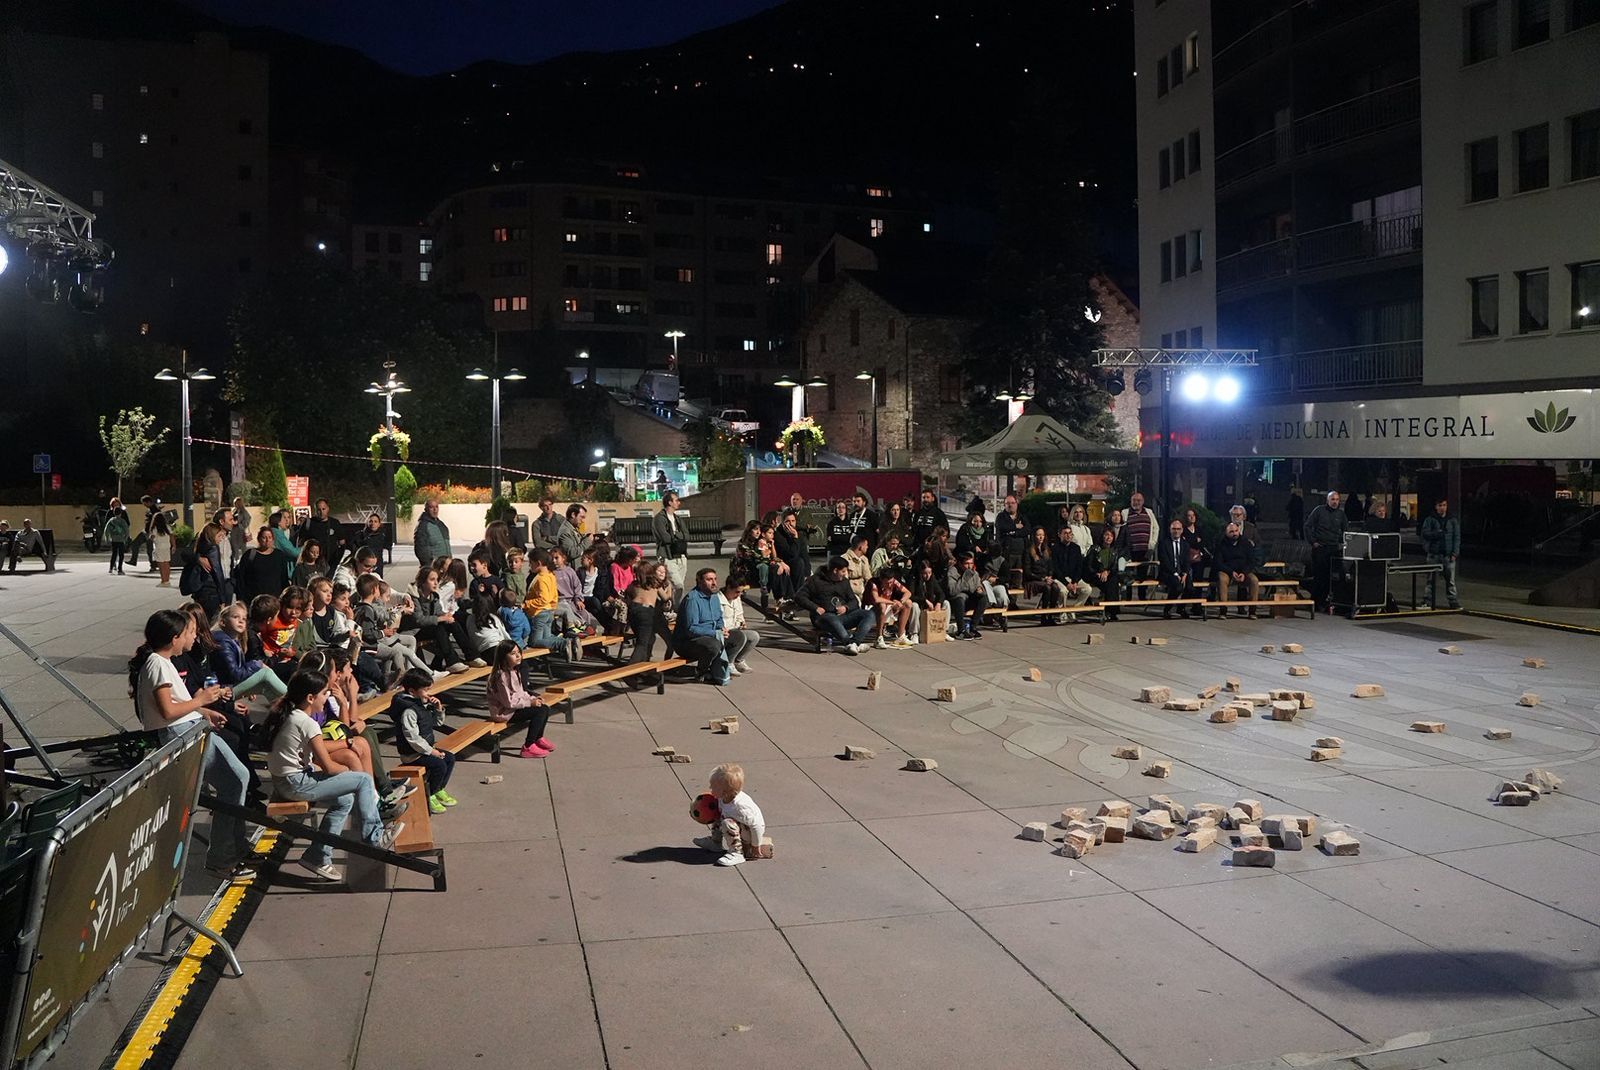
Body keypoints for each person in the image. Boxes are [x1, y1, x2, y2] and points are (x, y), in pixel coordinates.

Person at [129, 609, 254, 881]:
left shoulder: (164, 662)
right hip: (181, 734)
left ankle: (235, 846)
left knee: (239, 778)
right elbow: (167, 710)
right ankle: (222, 856)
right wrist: (202, 701)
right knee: (232, 783)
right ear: (175, 638)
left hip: (192, 727)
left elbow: (178, 704)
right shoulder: (157, 664)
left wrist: (204, 712)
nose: (193, 637)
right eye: (189, 633)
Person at [267, 668, 403, 880]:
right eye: (324, 693)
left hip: (287, 780)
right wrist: (348, 774)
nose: (326, 697)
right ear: (310, 698)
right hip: (295, 783)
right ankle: (375, 836)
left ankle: (318, 855)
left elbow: (319, 753)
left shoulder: (291, 714)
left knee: (345, 799)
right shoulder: (306, 723)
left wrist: (345, 774)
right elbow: (329, 767)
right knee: (363, 779)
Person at [388, 668, 459, 815]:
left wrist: (438, 709)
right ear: (412, 691)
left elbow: (435, 723)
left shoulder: (420, 703)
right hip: (412, 754)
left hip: (424, 749)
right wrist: (432, 751)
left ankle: (438, 789)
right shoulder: (409, 710)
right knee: (439, 765)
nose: (428, 693)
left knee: (450, 758)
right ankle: (429, 794)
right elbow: (412, 738)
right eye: (426, 690)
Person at [355, 573, 438, 682]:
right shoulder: (368, 609)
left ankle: (396, 676)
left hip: (378, 640)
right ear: (374, 590)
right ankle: (404, 679)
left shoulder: (364, 607)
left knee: (407, 643)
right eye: (378, 589)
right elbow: (370, 630)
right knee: (396, 653)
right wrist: (385, 631)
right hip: (372, 644)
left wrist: (398, 609)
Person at [209, 600, 289, 703]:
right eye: (236, 617)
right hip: (224, 689)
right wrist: (257, 664)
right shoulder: (223, 642)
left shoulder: (233, 640)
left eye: (244, 618)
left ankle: (287, 710)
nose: (241, 621)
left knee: (266, 688)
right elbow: (235, 674)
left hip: (230, 685)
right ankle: (297, 702)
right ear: (223, 622)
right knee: (266, 673)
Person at [486, 641, 555, 759]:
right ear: (503, 657)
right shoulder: (501, 676)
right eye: (513, 653)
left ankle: (538, 738)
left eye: (518, 652)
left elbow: (521, 693)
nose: (518, 656)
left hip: (513, 709)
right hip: (504, 713)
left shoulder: (514, 671)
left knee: (544, 708)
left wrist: (533, 699)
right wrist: (529, 703)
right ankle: (528, 746)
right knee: (539, 711)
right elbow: (508, 702)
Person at [793, 556, 875, 654]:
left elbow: (854, 601)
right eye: (843, 571)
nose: (845, 574)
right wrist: (815, 607)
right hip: (824, 617)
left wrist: (846, 607)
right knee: (832, 618)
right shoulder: (815, 580)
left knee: (869, 614)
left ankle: (854, 643)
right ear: (835, 571)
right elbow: (799, 597)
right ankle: (849, 643)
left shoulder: (844, 582)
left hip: (843, 616)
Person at [694, 763, 767, 867]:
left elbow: (757, 825)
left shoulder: (740, 807)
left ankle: (737, 853)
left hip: (749, 834)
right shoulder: (723, 797)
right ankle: (715, 843)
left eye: (713, 787)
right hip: (738, 825)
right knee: (718, 816)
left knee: (727, 823)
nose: (710, 788)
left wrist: (756, 846)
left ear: (724, 792)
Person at [412, 565, 477, 672]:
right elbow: (419, 620)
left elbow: (439, 612)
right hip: (416, 630)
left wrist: (446, 616)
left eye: (437, 580)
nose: (436, 583)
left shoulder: (434, 596)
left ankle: (471, 656)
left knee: (452, 623)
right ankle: (452, 661)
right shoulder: (414, 597)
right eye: (432, 580)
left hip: (430, 626)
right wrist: (440, 619)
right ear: (423, 582)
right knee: (439, 628)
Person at [674, 568, 730, 685]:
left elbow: (719, 618)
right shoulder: (692, 600)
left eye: (715, 579)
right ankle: (701, 672)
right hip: (688, 642)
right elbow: (691, 629)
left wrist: (721, 628)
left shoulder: (714, 597)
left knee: (742, 637)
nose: (714, 583)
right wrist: (714, 633)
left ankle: (723, 667)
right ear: (699, 582)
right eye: (709, 580)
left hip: (712, 636)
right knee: (713, 646)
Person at [625, 560, 676, 664]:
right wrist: (669, 588)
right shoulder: (654, 583)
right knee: (642, 643)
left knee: (645, 639)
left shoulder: (634, 584)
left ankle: (643, 665)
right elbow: (666, 598)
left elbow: (627, 595)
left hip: (634, 610)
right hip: (647, 611)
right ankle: (631, 668)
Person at [1305, 490, 1347, 611]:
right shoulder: (1319, 511)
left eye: (1337, 499)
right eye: (1332, 499)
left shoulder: (1341, 514)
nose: (1335, 502)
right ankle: (1316, 602)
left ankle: (1327, 601)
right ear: (1327, 500)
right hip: (1321, 548)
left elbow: (1346, 530)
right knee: (1320, 576)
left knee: (1333, 577)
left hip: (1334, 549)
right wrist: (1313, 542)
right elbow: (1307, 526)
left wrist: (1342, 543)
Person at [1420, 498, 1462, 610]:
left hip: (1448, 555)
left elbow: (1456, 537)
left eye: (1444, 505)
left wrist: (1455, 553)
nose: (1442, 508)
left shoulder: (1452, 520)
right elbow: (1425, 534)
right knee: (1431, 579)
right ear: (1436, 507)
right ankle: (1427, 600)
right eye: (1440, 505)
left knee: (1450, 581)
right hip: (1434, 554)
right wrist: (1437, 534)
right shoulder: (1430, 519)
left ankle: (1453, 601)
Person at [1157, 518, 1201, 619]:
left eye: (1178, 529)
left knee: (1190, 589)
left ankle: (1181, 608)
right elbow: (1164, 561)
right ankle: (1167, 609)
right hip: (1168, 572)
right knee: (1177, 587)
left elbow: (1187, 561)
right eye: (1174, 529)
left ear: (1182, 530)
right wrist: (1175, 573)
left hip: (1182, 572)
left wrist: (1185, 573)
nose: (1176, 531)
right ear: (1170, 530)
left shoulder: (1185, 544)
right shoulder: (1163, 543)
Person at [1213, 522, 1260, 616]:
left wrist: (1244, 573)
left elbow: (1251, 561)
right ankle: (1223, 610)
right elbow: (1218, 563)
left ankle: (1252, 611)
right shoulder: (1221, 544)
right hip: (1228, 571)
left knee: (1254, 580)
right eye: (1231, 532)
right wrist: (1231, 572)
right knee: (1222, 579)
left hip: (1243, 571)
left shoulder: (1246, 543)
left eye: (1236, 531)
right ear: (1226, 533)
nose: (1234, 533)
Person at [719, 574, 761, 673]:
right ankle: (729, 663)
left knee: (754, 636)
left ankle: (738, 660)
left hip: (735, 629)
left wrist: (741, 622)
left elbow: (739, 614)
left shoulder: (737, 599)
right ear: (728, 587)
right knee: (740, 637)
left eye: (741, 592)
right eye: (737, 592)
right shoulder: (717, 599)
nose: (738, 595)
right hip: (724, 632)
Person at [652, 491, 690, 598]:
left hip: (681, 556)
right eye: (676, 500)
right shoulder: (659, 519)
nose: (679, 503)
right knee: (678, 586)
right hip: (668, 556)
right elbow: (665, 538)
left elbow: (687, 536)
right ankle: (675, 606)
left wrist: (675, 534)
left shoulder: (678, 519)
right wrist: (678, 536)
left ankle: (672, 605)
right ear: (670, 502)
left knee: (676, 587)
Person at [946, 551, 989, 638]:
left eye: (971, 563)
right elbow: (952, 591)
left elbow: (979, 587)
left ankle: (973, 628)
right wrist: (965, 577)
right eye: (966, 563)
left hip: (969, 600)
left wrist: (980, 590)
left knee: (983, 599)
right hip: (956, 602)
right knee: (960, 598)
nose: (969, 566)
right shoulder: (952, 572)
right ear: (960, 564)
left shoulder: (974, 573)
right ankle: (961, 630)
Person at [867, 570, 916, 647]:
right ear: (881, 579)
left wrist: (901, 601)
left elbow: (908, 593)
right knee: (882, 605)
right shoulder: (873, 583)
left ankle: (901, 636)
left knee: (908, 603)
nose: (890, 585)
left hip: (887, 605)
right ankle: (879, 638)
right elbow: (876, 599)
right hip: (871, 608)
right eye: (887, 583)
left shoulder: (894, 582)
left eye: (891, 582)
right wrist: (893, 603)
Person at [1049, 527, 1093, 609]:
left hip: (1073, 579)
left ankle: (1074, 610)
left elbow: (1079, 567)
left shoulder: (1076, 548)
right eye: (1065, 533)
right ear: (1059, 535)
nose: (1068, 535)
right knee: (1063, 591)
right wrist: (1067, 584)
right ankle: (1062, 612)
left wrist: (1075, 582)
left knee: (1087, 589)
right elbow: (1056, 569)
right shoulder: (1055, 548)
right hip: (1060, 579)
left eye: (1070, 533)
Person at [1086, 525, 1122, 620]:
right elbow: (1089, 565)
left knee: (1112, 581)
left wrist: (1107, 572)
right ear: (1102, 536)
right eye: (1106, 535)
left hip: (1108, 575)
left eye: (1111, 536)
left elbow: (1115, 567)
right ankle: (1111, 611)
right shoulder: (1094, 549)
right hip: (1095, 575)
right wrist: (1097, 573)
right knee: (1111, 584)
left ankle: (1111, 611)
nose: (1108, 537)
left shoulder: (1114, 550)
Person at [1117, 492, 1159, 573]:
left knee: (1143, 574)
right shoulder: (1125, 513)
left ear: (1143, 501)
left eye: (1138, 500)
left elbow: (1156, 528)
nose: (1136, 502)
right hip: (1130, 550)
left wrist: (1153, 542)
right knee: (1129, 574)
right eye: (1134, 500)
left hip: (1145, 550)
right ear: (1131, 501)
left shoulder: (1149, 512)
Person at [301, 499, 344, 571]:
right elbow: (301, 542)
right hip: (313, 563)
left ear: (328, 509)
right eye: (319, 510)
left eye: (323, 509)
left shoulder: (334, 523)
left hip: (331, 563)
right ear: (315, 510)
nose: (321, 512)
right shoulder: (309, 523)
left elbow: (342, 542)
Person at [994, 494, 1026, 584]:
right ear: (1004, 505)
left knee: (1017, 580)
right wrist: (1015, 526)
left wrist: (1013, 533)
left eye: (1012, 503)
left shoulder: (1022, 517)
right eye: (1007, 503)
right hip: (1006, 553)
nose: (1010, 505)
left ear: (1016, 504)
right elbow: (1001, 527)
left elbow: (1027, 529)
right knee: (1006, 578)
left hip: (1020, 553)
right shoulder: (1001, 517)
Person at [909, 488, 945, 562]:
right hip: (919, 548)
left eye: (928, 497)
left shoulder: (939, 513)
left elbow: (945, 531)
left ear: (933, 498)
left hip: (933, 549)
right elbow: (914, 530)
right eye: (923, 497)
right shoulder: (918, 513)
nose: (925, 499)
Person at [413, 498, 451, 564]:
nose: (435, 510)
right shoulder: (422, 526)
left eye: (436, 507)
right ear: (426, 509)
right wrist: (429, 564)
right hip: (434, 566)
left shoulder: (441, 525)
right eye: (431, 507)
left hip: (445, 565)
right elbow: (420, 549)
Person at [104, 501, 131, 574]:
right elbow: (126, 530)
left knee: (114, 554)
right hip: (121, 540)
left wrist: (107, 538)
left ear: (113, 513)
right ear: (121, 513)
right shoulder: (123, 521)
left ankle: (110, 568)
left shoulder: (111, 521)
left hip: (114, 540)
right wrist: (126, 538)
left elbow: (106, 530)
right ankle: (120, 569)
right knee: (121, 555)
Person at [150, 509, 174, 586]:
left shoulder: (155, 528)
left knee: (161, 565)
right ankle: (167, 580)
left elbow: (152, 537)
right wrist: (174, 546)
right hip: (167, 546)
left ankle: (163, 580)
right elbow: (172, 536)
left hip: (159, 547)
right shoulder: (167, 527)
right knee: (166, 563)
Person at [229, 497, 252, 568]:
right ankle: (235, 562)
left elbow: (248, 519)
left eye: (236, 503)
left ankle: (243, 563)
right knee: (234, 547)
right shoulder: (233, 510)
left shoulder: (243, 511)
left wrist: (239, 524)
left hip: (240, 531)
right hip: (233, 531)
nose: (235, 504)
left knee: (242, 547)